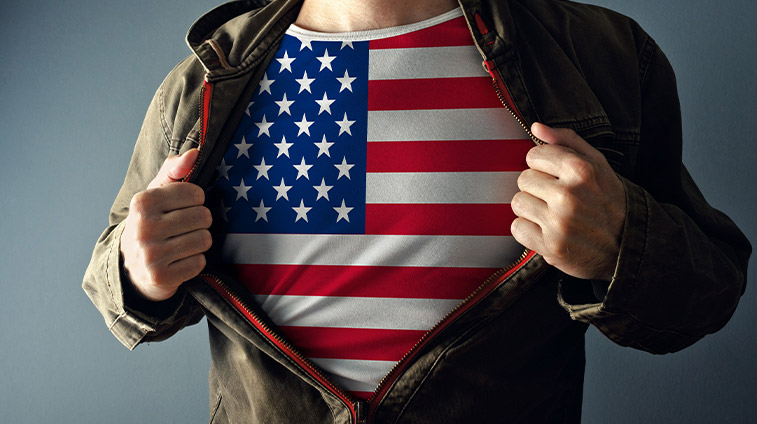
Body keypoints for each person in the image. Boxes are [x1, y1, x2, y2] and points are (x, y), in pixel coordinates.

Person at [83, 0, 751, 422]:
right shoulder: (204, 77)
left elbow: (705, 297)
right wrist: (138, 270)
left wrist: (619, 245)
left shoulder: (602, 55)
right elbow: (111, 279)